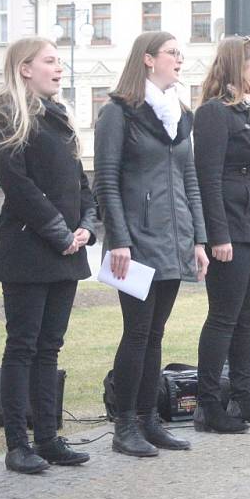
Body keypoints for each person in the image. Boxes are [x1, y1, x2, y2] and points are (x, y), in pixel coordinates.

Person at [94, 31, 209, 456]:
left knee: (156, 334)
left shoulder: (181, 115)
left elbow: (189, 179)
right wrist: (118, 240)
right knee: (137, 332)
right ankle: (125, 426)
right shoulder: (118, 113)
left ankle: (149, 420)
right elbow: (105, 180)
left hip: (174, 238)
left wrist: (199, 238)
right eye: (172, 53)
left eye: (181, 53)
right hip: (136, 242)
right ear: (147, 60)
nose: (180, 60)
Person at [0, 37, 95, 473]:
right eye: (51, 61)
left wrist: (87, 224)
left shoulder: (60, 117)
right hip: (29, 250)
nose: (60, 68)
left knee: (50, 347)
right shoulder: (6, 117)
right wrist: (59, 233)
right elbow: (19, 186)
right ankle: (18, 444)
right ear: (25, 68)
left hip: (66, 249)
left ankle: (47, 439)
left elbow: (79, 182)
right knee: (23, 346)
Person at [192, 35, 250, 433]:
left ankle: (245, 398)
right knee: (224, 318)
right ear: (238, 66)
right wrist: (218, 235)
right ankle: (210, 405)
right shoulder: (215, 113)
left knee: (248, 318)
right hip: (232, 225)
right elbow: (207, 178)